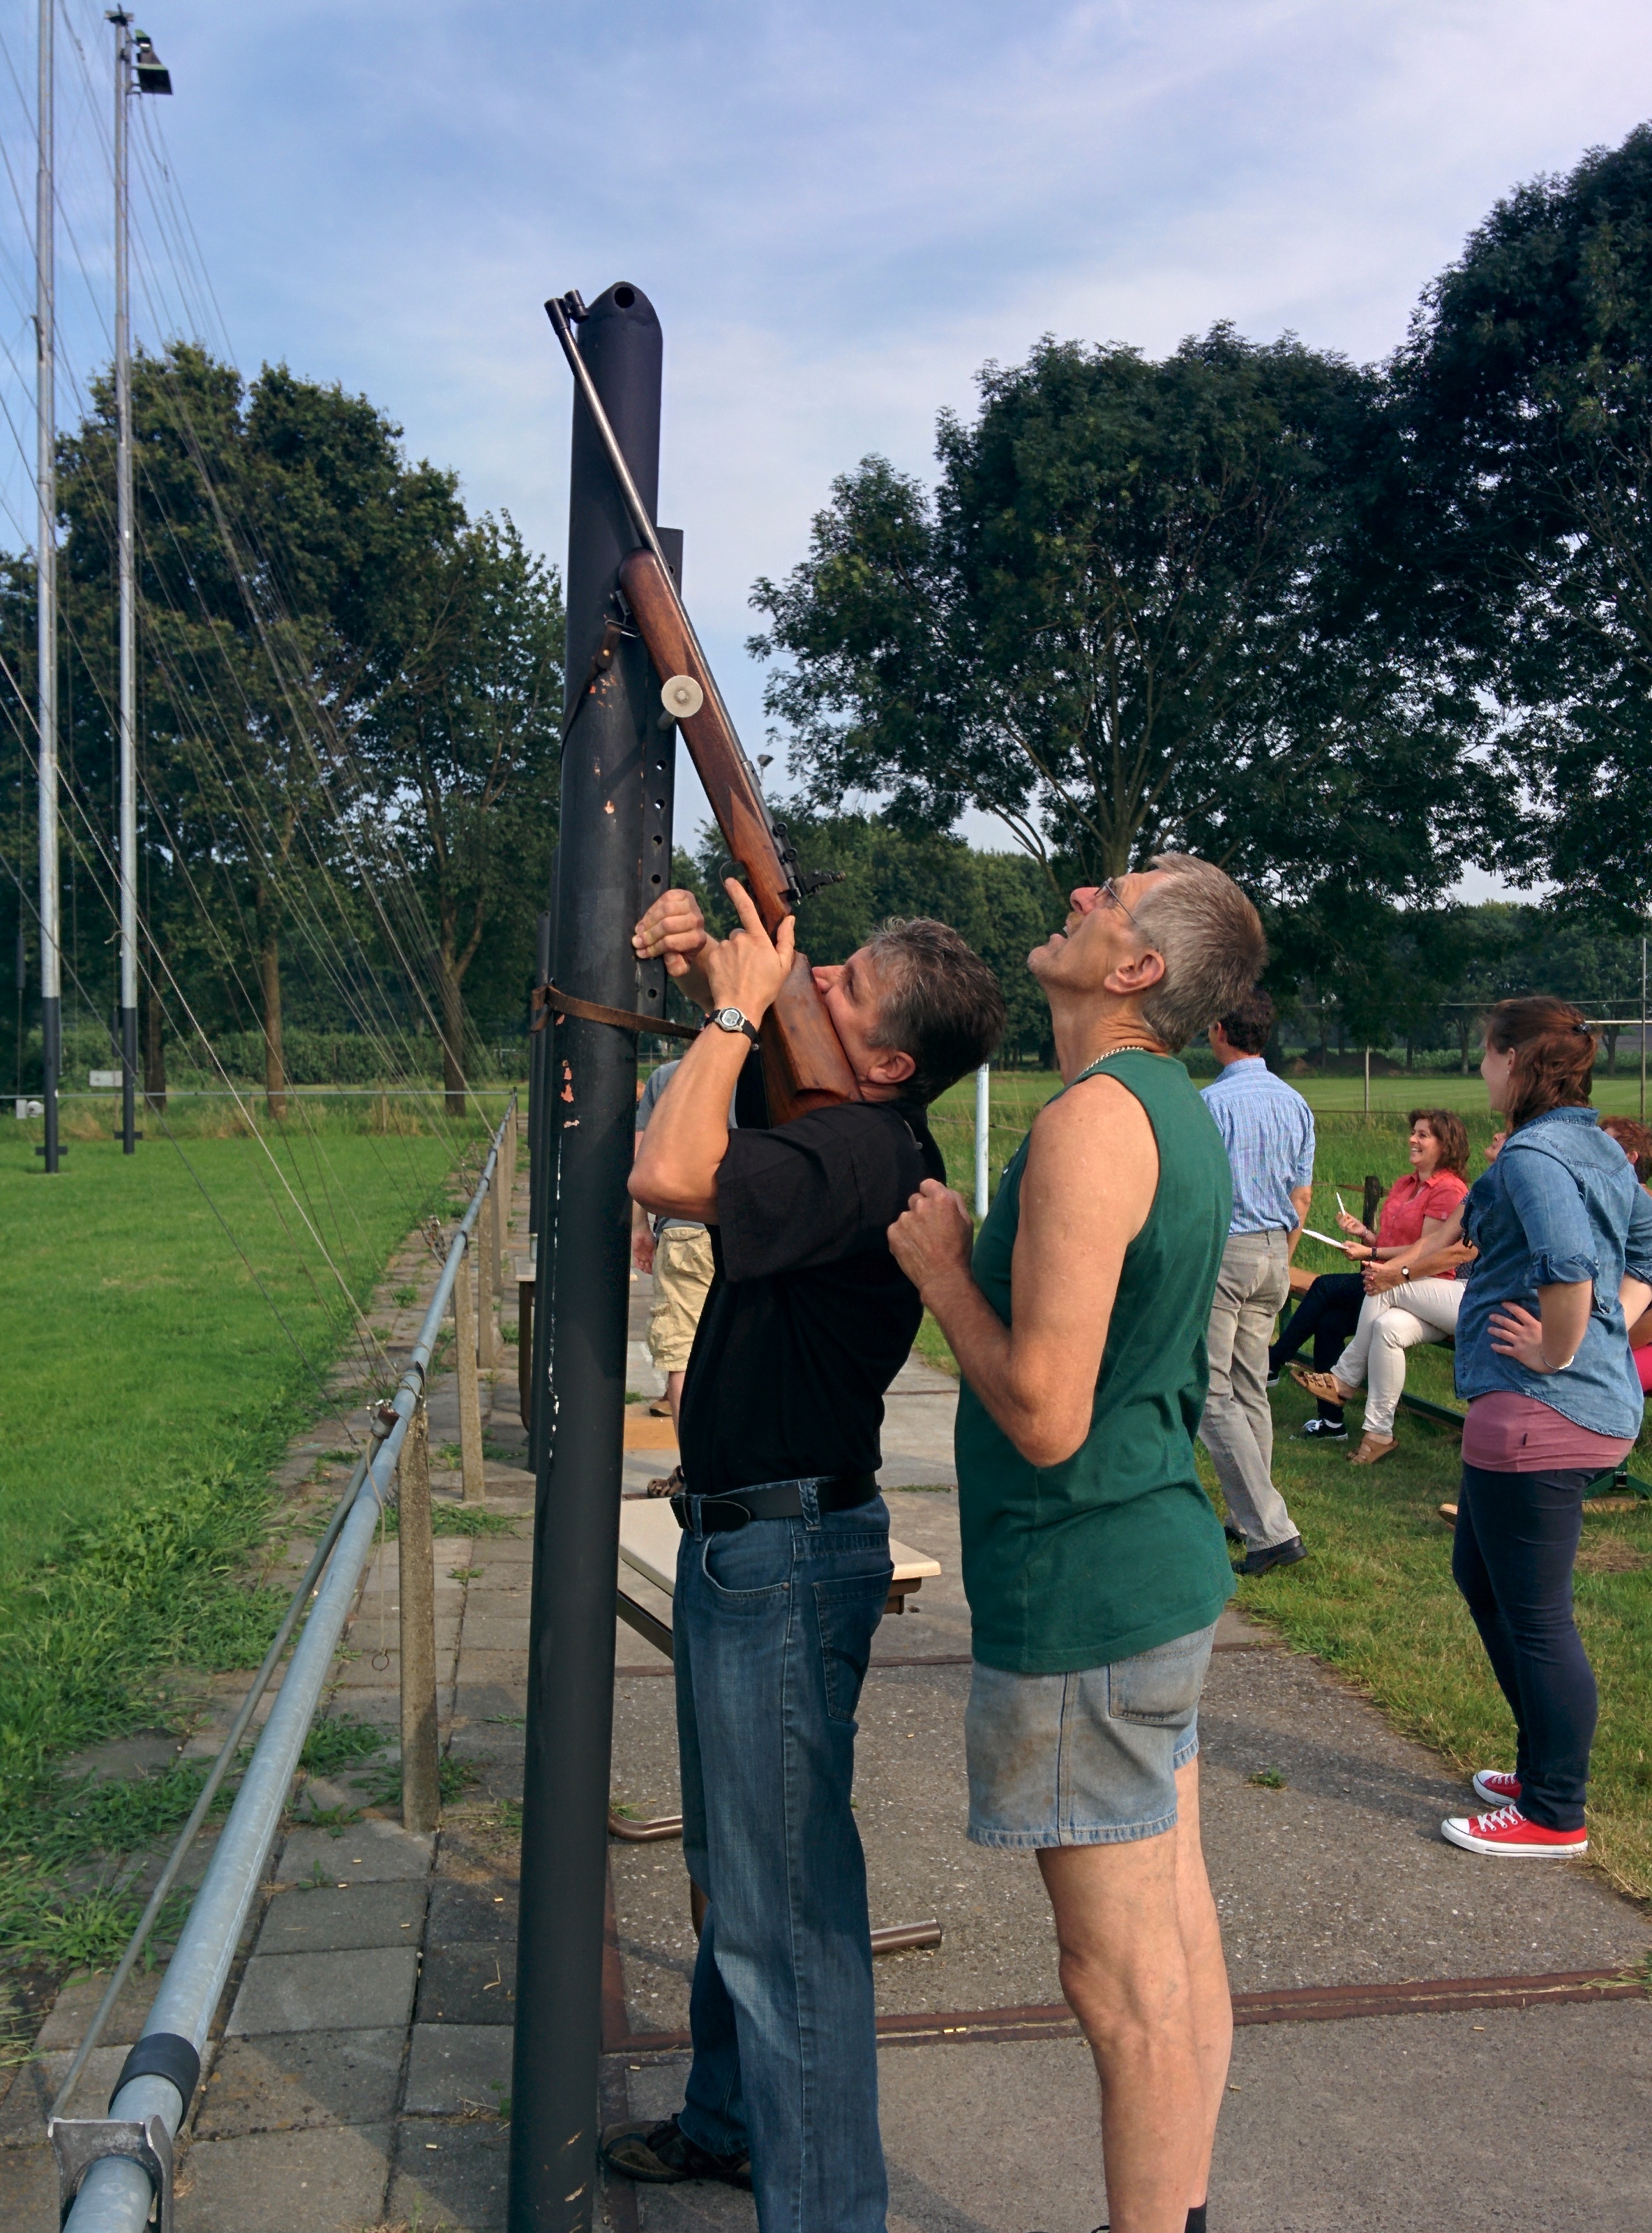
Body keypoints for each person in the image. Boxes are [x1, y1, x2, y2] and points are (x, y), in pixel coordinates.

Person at [603, 881, 1004, 2224]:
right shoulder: (840, 1126)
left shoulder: (866, 1153)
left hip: (780, 1555)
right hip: (755, 1544)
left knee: (786, 1924)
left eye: (842, 986)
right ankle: (727, 2124)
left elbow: (666, 1175)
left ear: (888, 1063)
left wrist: (729, 1006)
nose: (812, 981)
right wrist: (699, 974)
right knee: (741, 1878)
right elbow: (732, 1102)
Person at [889, 855, 1265, 2233]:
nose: (1086, 894)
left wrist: (943, 1276)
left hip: (1086, 1588)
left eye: (1114, 894)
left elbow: (1046, 1414)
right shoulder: (1162, 1106)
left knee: (1117, 1984)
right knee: (1172, 1941)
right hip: (1145, 1568)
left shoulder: (1096, 1122)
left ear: (1136, 969)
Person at [1429, 999, 1652, 1858]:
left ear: (1515, 1059)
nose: (1480, 1070)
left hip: (1539, 1413)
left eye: (1486, 1055)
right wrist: (1602, 1333)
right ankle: (1539, 1767)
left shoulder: (1531, 1153)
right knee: (1483, 1581)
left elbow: (1566, 1264)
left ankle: (1555, 1810)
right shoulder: (1598, 1146)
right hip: (1562, 1410)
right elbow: (1643, 1251)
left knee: (1536, 1617)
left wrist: (1561, 1348)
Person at [1196, 989, 1312, 1573]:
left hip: (1227, 1250)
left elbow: (1198, 1192)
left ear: (1219, 1030)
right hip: (1274, 1250)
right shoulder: (1295, 1103)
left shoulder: (1210, 1103)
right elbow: (1302, 1196)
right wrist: (1283, 1259)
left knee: (1209, 1390)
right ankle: (1248, 1518)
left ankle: (1270, 1529)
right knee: (1249, 1388)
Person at [1288, 1109, 1473, 1463]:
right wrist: (1368, 1240)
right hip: (1416, 1291)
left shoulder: (1453, 1190)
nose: (1412, 1139)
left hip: (1444, 1290)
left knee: (1370, 1284)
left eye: (1423, 1135)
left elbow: (1435, 1253)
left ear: (1446, 1145)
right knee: (1387, 1328)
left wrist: (1377, 1259)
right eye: (1413, 1132)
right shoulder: (1406, 1183)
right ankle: (1378, 1435)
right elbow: (1418, 1245)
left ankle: (1341, 1380)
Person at [633, 1058, 735, 1492]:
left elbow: (641, 1160)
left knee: (682, 1354)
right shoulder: (767, 1070)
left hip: (684, 1229)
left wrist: (640, 1226)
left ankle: (697, 1471)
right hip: (751, 1226)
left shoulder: (666, 1077)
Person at [1600, 1116, 1652, 1389]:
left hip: (1637, 1338)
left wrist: (1603, 1348)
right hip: (1617, 1333)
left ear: (1631, 1159)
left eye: (1604, 1145)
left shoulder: (1643, 1214)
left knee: (1604, 1385)